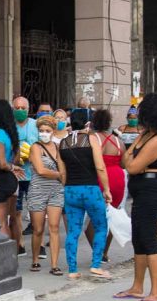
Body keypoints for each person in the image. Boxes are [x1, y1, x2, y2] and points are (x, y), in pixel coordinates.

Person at [113, 93, 157, 301]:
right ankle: (137, 287)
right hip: (141, 188)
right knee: (138, 238)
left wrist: (135, 160)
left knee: (148, 239)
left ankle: (156, 292)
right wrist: (134, 159)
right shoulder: (145, 135)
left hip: (152, 188)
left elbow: (132, 165)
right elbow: (125, 160)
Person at [58, 112, 112, 280]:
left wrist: (68, 186)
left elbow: (62, 172)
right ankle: (96, 265)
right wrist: (107, 189)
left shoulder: (62, 143)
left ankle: (72, 269)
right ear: (87, 124)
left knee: (73, 231)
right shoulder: (92, 139)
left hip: (70, 191)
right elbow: (100, 167)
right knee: (101, 226)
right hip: (91, 190)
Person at [85, 109, 126, 263]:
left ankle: (98, 250)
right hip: (117, 178)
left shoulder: (92, 138)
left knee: (93, 219)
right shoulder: (118, 141)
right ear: (109, 123)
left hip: (99, 178)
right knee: (111, 216)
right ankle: (105, 252)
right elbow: (124, 163)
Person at [27, 115, 64, 275]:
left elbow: (64, 168)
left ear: (53, 131)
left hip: (56, 190)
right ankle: (35, 259)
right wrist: (59, 175)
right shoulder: (35, 147)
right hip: (38, 190)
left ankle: (54, 264)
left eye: (47, 131)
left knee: (54, 227)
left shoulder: (58, 147)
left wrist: (62, 177)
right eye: (41, 130)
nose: (44, 133)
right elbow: (40, 170)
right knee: (38, 228)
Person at [0, 99, 26, 238]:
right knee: (12, 219)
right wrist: (13, 166)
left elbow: (1, 163)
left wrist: (10, 167)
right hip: (10, 180)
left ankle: (4, 257)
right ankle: (13, 253)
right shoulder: (11, 133)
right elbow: (16, 158)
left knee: (0, 222)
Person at [13, 96, 39, 254]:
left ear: (29, 109)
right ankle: (20, 243)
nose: (20, 111)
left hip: (34, 174)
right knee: (16, 211)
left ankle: (39, 244)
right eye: (17, 108)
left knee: (36, 210)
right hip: (16, 175)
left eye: (23, 108)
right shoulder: (10, 127)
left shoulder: (35, 125)